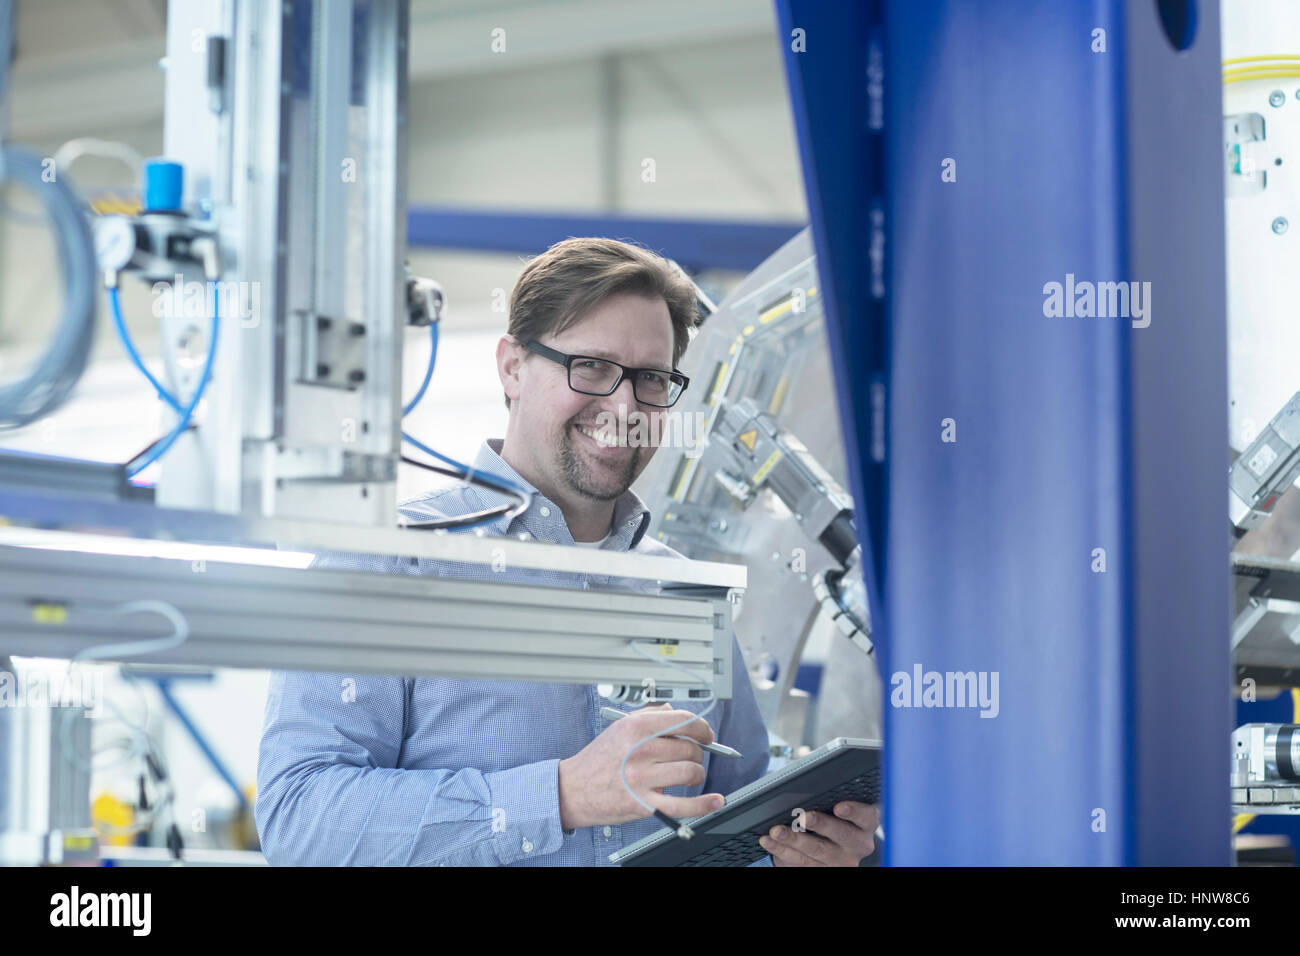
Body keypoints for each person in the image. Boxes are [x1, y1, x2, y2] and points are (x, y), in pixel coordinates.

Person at [255, 237, 879, 866]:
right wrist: (561, 796)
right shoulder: (388, 563)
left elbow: (730, 832)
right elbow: (300, 820)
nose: (625, 406)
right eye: (591, 367)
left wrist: (797, 855)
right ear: (512, 367)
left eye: (652, 380)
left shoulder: (683, 597)